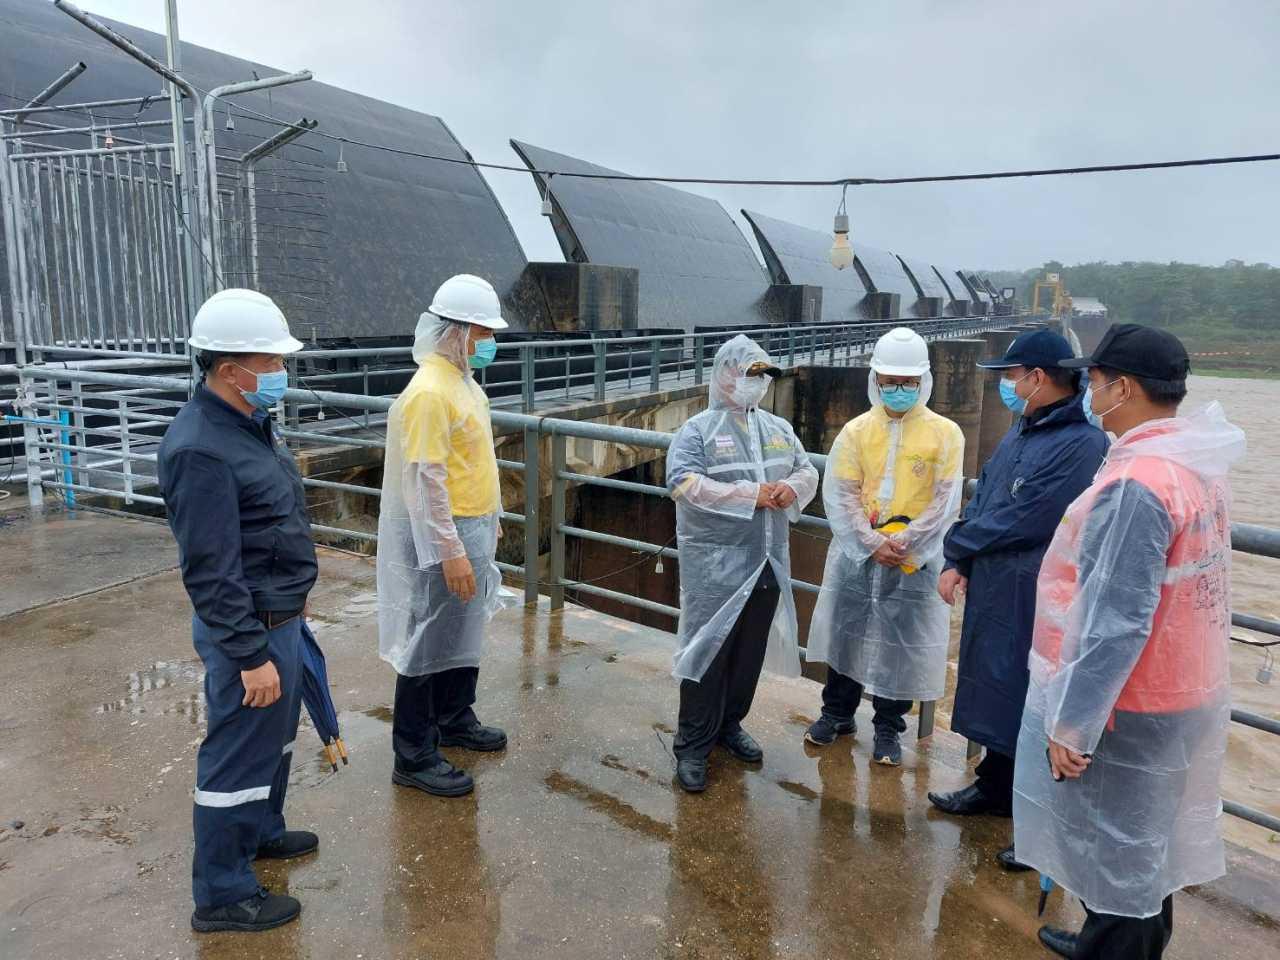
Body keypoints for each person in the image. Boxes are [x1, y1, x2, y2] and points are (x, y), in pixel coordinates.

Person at [1013, 324, 1245, 960]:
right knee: (1144, 844)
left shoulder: (1138, 483)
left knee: (1115, 847)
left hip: (1129, 701)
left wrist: (1073, 724)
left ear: (1125, 388)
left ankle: (1113, 949)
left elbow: (1114, 621)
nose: (1088, 392)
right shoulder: (1194, 466)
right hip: (1180, 687)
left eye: (1094, 381)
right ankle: (1110, 941)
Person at [157, 289, 318, 933]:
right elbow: (211, 570)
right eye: (271, 362)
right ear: (230, 371)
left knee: (273, 742)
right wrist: (250, 655)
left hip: (279, 617)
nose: (281, 371)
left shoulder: (247, 422)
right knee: (236, 756)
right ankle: (222, 894)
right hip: (249, 630)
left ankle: (260, 832)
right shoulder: (200, 449)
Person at [927, 330, 1108, 872]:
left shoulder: (1083, 444)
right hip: (995, 584)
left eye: (1011, 376)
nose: (1007, 386)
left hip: (1037, 592)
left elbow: (1030, 516)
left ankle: (1037, 824)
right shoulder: (1023, 429)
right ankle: (993, 786)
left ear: (1038, 376)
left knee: (1037, 701)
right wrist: (960, 559)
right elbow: (986, 494)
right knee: (997, 689)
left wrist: (959, 542)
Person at [377, 274, 511, 799]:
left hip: (471, 527)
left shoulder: (463, 383)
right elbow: (424, 481)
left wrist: (491, 519)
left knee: (461, 631)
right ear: (457, 332)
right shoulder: (430, 392)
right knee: (429, 638)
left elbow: (474, 461)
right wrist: (450, 551)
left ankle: (455, 717)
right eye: (483, 333)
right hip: (445, 535)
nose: (489, 343)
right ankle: (413, 754)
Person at [666, 334, 819, 793]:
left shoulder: (778, 428)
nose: (758, 382)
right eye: (749, 373)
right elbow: (683, 483)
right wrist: (750, 495)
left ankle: (729, 725)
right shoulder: (697, 431)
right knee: (706, 653)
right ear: (725, 373)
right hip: (715, 568)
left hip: (768, 561)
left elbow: (807, 468)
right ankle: (693, 745)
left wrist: (792, 488)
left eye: (763, 375)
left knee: (748, 653)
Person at [805, 327, 964, 766]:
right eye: (890, 381)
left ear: (923, 381)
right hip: (858, 556)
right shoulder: (856, 431)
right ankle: (836, 714)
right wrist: (870, 541)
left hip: (914, 560)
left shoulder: (945, 434)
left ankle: (888, 728)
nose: (898, 389)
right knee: (847, 635)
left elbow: (945, 499)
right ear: (875, 380)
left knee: (900, 645)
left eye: (907, 382)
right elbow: (841, 492)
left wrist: (907, 542)